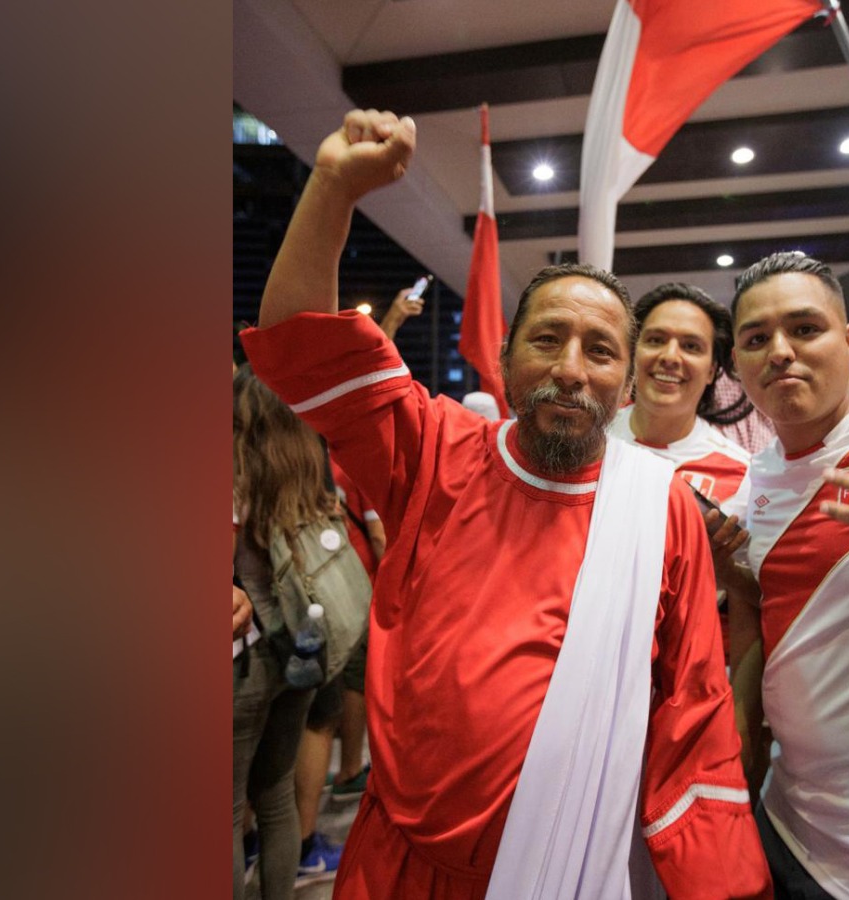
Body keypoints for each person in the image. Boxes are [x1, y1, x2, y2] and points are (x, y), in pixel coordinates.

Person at [240, 108, 770, 899]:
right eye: (547, 340)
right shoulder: (435, 447)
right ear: (505, 360)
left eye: (599, 351)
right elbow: (303, 342)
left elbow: (689, 707)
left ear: (625, 383)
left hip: (573, 861)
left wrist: (719, 885)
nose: (570, 369)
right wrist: (332, 188)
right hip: (401, 862)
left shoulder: (662, 508)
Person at [713, 251, 849, 900]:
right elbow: (764, 623)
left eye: (805, 329)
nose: (779, 351)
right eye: (756, 339)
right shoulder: (760, 479)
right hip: (795, 831)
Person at [233, 363, 339, 900]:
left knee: (227, 813)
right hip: (304, 648)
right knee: (275, 797)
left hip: (246, 659)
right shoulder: (309, 466)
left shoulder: (234, 474)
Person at [606, 282, 752, 663]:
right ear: (633, 352)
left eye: (691, 346)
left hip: (683, 674)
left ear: (712, 371)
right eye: (655, 340)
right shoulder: (586, 445)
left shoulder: (743, 474)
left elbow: (748, 603)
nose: (671, 357)